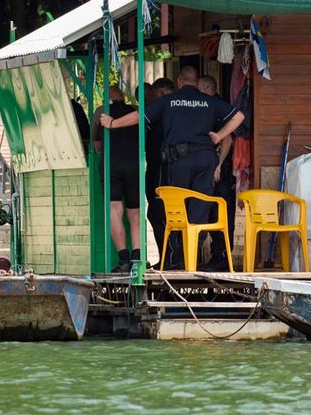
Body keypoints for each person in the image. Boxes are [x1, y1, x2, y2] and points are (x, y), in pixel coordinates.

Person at [100, 66, 244, 270]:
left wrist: (113, 123)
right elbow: (239, 117)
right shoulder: (209, 101)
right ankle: (192, 259)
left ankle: (177, 261)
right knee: (199, 211)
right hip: (205, 160)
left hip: (180, 160)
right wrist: (219, 135)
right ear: (196, 82)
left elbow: (139, 117)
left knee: (177, 210)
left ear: (178, 81)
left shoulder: (168, 101)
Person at [92, 84, 141, 274]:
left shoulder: (101, 112)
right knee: (134, 212)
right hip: (134, 164)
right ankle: (137, 259)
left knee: (114, 209)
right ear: (122, 95)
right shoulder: (135, 111)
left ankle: (123, 260)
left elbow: (96, 144)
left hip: (111, 164)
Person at [199, 75, 236, 271]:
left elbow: (227, 140)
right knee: (211, 213)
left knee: (222, 215)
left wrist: (219, 165)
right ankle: (217, 256)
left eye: (199, 89)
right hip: (212, 169)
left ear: (207, 89)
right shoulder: (208, 107)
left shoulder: (217, 107)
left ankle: (222, 258)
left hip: (222, 171)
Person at [146, 78, 176, 264]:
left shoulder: (168, 115)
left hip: (164, 169)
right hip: (155, 167)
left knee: (161, 214)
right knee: (155, 214)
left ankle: (170, 258)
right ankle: (166, 258)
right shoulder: (158, 114)